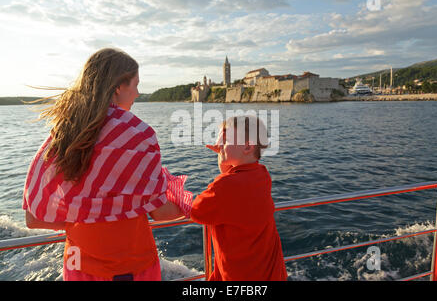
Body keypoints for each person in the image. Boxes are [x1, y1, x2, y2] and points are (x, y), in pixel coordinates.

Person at [23, 48, 192, 281]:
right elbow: (160, 212)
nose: (138, 93)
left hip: (77, 265)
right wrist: (189, 203)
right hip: (130, 267)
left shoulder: (62, 134)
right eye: (135, 84)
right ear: (118, 87)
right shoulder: (138, 136)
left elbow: (33, 218)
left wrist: (88, 214)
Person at [190, 115, 287, 281]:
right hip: (269, 272)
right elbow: (235, 193)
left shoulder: (225, 186)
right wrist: (225, 158)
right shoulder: (262, 174)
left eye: (225, 140)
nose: (219, 145)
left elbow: (194, 211)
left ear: (248, 146)